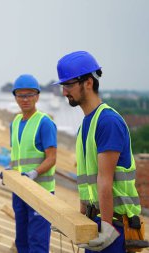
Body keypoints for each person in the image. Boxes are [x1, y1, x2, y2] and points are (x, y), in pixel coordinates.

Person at [53, 51, 142, 252]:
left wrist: (108, 228)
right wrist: (77, 220)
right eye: (63, 86)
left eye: (68, 85)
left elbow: (104, 181)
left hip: (113, 228)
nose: (64, 92)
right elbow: (88, 182)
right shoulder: (85, 125)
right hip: (96, 224)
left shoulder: (107, 122)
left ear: (88, 83)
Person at [1, 74, 57, 253]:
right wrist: (10, 171)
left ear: (37, 96)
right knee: (22, 241)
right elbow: (17, 156)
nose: (25, 99)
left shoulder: (44, 123)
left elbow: (52, 157)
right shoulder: (15, 123)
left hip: (40, 192)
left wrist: (35, 173)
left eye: (29, 95)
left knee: (37, 243)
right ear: (15, 97)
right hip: (20, 191)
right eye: (20, 95)